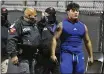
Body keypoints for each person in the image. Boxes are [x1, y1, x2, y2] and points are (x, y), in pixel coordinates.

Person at [50, 3, 94, 74]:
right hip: (67, 54)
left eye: (77, 11)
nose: (76, 12)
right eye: (73, 10)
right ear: (68, 12)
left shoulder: (83, 26)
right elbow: (54, 39)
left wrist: (91, 56)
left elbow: (87, 41)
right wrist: (53, 54)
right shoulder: (62, 25)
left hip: (79, 54)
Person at [7, 8, 41, 74]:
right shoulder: (18, 24)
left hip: (33, 56)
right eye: (33, 17)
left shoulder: (34, 25)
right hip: (23, 57)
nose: (35, 19)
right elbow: (11, 39)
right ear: (28, 16)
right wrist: (13, 55)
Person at [36, 7, 60, 74]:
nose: (50, 15)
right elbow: (36, 37)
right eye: (49, 14)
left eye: (52, 14)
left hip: (56, 56)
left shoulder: (58, 25)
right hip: (44, 56)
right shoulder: (41, 24)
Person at [1, 7, 11, 73]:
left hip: (4, 54)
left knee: (4, 71)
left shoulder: (9, 25)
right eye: (2, 14)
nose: (3, 16)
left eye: (5, 15)